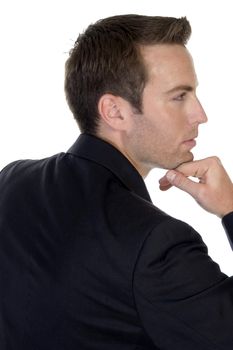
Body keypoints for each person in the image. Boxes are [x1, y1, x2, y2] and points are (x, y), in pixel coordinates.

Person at [0, 14, 233, 350]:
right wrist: (230, 209)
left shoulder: (12, 181)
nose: (201, 114)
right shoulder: (156, 243)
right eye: (179, 96)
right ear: (115, 111)